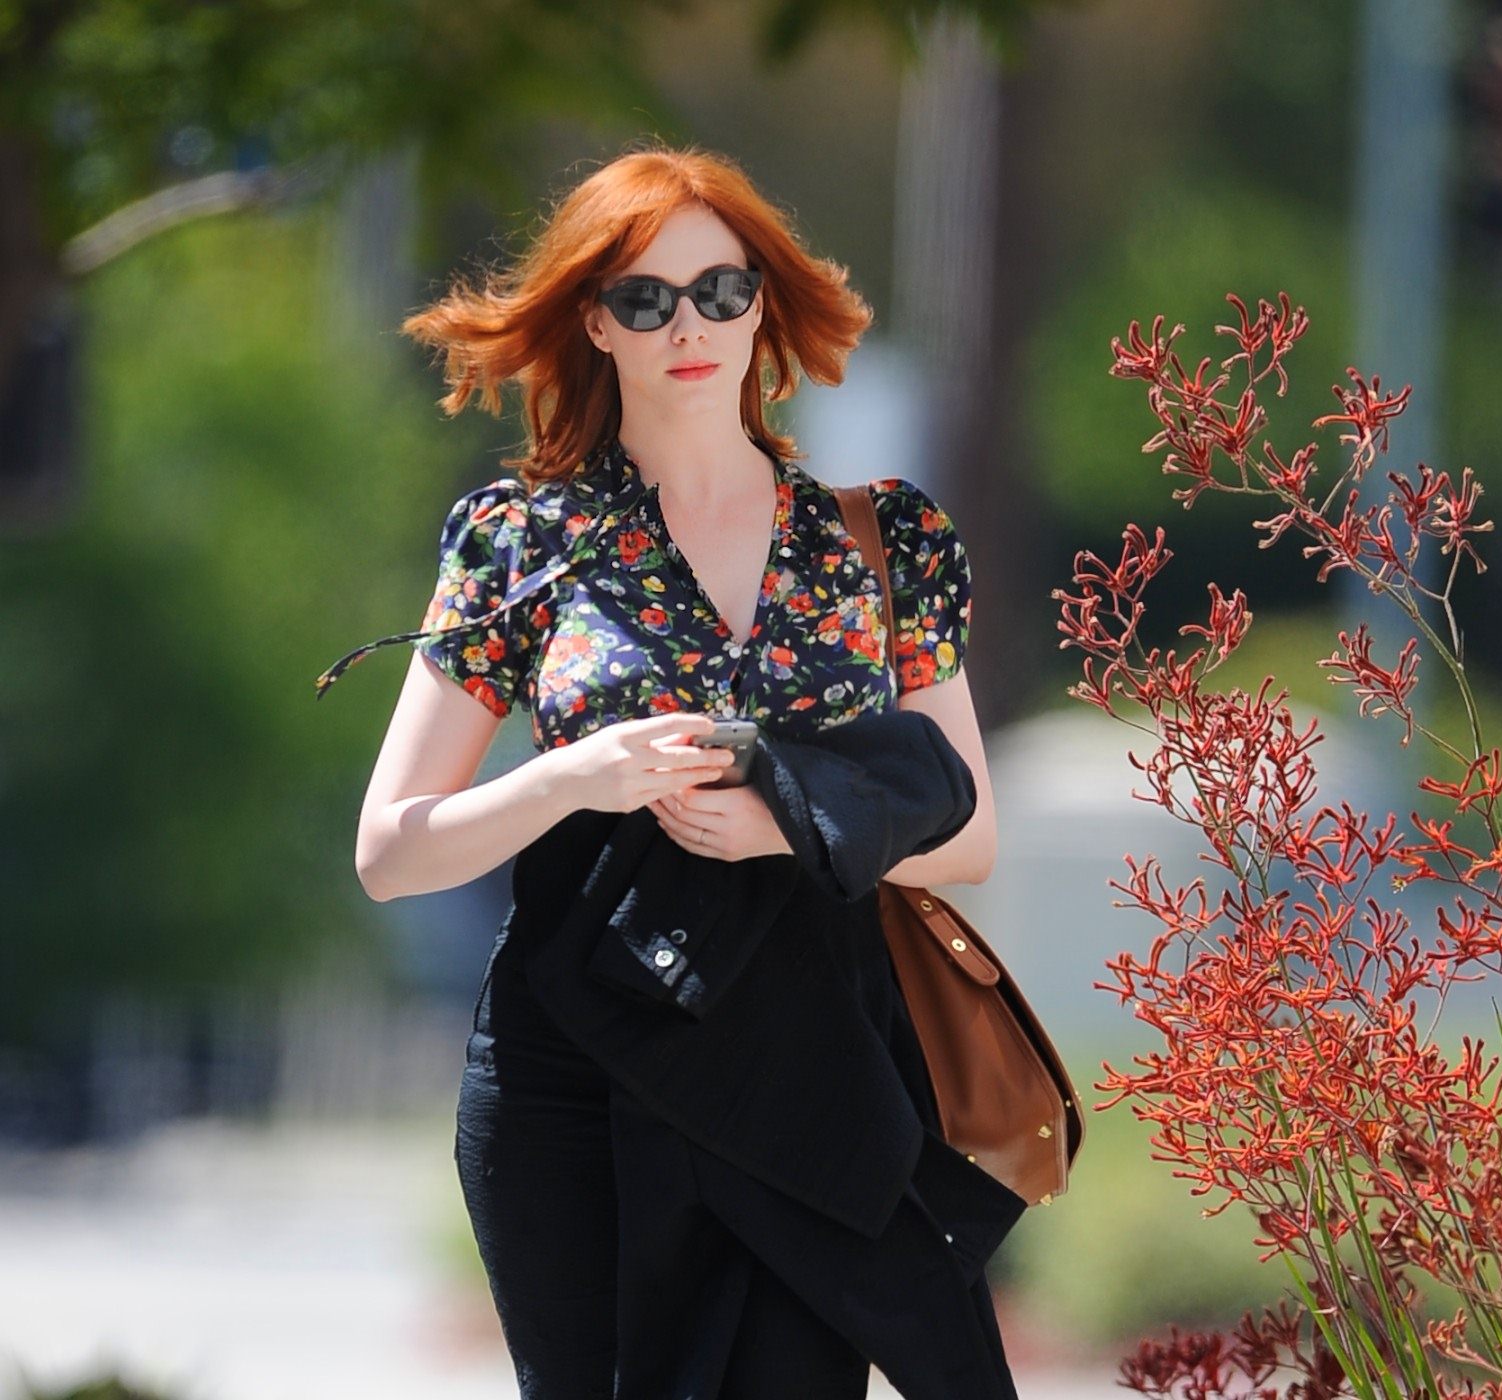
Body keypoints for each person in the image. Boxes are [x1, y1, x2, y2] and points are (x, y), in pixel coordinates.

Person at [314, 141, 1016, 1398]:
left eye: (718, 291)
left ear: (762, 302)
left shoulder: (885, 536)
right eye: (643, 298)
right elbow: (392, 847)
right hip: (574, 1073)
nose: (686, 325)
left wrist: (777, 827)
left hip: (808, 1071)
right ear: (593, 321)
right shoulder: (517, 542)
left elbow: (966, 832)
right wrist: (572, 775)